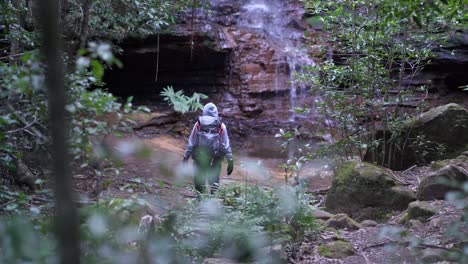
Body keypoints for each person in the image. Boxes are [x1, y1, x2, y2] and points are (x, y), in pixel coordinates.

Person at [183, 102, 234, 193]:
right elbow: (226, 145)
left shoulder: (198, 124)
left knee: (199, 178)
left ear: (204, 111)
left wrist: (185, 158)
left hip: (200, 155)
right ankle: (212, 199)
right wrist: (230, 160)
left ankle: (200, 199)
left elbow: (191, 142)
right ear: (216, 113)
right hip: (216, 156)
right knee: (214, 179)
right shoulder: (221, 125)